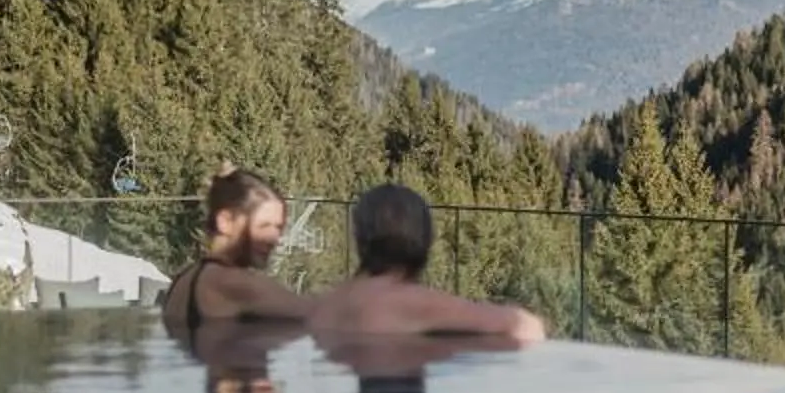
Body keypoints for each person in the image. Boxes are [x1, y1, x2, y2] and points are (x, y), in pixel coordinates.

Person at [305, 184, 547, 344]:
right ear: (424, 239)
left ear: (359, 238)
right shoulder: (412, 303)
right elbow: (527, 328)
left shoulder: (329, 304)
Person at [157, 167, 309, 339]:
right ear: (225, 222)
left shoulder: (183, 280)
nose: (274, 238)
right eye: (264, 226)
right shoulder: (231, 284)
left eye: (278, 228)